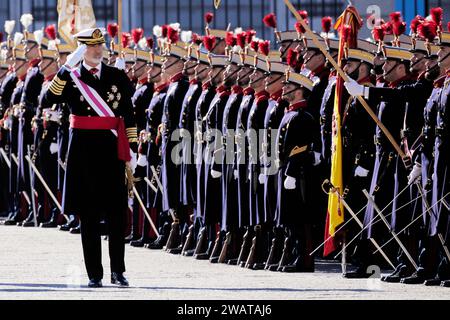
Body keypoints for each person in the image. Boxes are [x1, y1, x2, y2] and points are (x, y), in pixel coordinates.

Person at [43, 28, 138, 288]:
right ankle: (94, 273)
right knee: (89, 214)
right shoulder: (72, 78)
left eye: (101, 46)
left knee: (117, 214)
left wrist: (132, 147)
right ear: (82, 50)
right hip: (83, 153)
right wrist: (64, 69)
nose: (99, 51)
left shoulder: (116, 75)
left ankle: (118, 270)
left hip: (110, 150)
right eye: (93, 47)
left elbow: (129, 113)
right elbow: (48, 98)